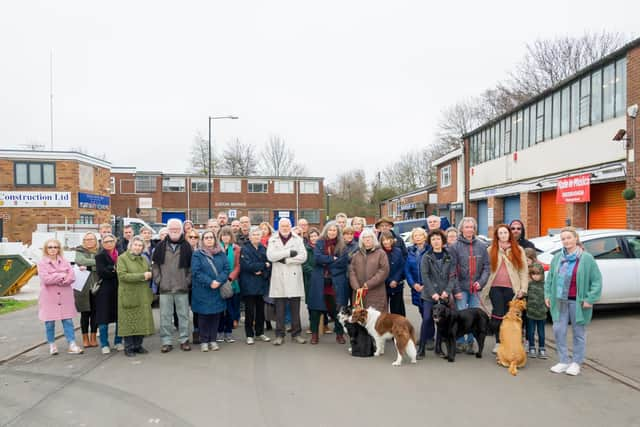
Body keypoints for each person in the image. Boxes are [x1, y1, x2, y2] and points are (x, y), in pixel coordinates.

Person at [545, 227, 602, 376]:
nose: (566, 241)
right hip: (559, 301)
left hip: (578, 303)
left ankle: (576, 362)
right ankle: (563, 360)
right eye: (563, 238)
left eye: (569, 237)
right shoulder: (557, 258)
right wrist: (547, 295)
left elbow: (596, 281)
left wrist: (590, 299)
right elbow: (550, 279)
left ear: (576, 238)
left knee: (578, 333)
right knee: (558, 331)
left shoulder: (586, 258)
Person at [481, 224, 528, 354]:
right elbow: (485, 268)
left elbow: (523, 271)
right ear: (496, 236)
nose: (503, 235)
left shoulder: (518, 249)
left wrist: (523, 288)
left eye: (505, 233)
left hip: (512, 288)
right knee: (498, 314)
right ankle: (498, 342)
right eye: (500, 233)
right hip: (495, 287)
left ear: (509, 234)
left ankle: (511, 343)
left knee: (511, 316)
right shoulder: (491, 250)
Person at [152, 218, 193, 353]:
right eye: (171, 229)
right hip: (165, 288)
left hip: (182, 287)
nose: (174, 231)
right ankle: (166, 341)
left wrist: (187, 281)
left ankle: (184, 340)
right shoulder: (160, 247)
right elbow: (155, 267)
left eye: (177, 229)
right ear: (168, 231)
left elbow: (192, 268)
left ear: (181, 230)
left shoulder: (187, 247)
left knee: (184, 316)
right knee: (165, 316)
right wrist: (159, 281)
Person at [449, 217, 490, 353]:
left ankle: (470, 342)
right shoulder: (454, 246)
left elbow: (487, 267)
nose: (469, 230)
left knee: (473, 318)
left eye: (471, 227)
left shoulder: (482, 246)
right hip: (461, 288)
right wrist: (456, 289)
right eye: (466, 227)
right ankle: (459, 341)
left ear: (475, 229)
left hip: (475, 289)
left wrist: (481, 282)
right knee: (460, 316)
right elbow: (452, 270)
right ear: (461, 229)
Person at [37, 239, 83, 355]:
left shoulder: (65, 261)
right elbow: (46, 279)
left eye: (55, 247)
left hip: (65, 296)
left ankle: (72, 344)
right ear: (46, 249)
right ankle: (52, 344)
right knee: (49, 322)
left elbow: (72, 277)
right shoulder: (42, 263)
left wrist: (56, 276)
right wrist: (62, 275)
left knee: (68, 320)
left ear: (59, 249)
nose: (53, 249)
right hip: (49, 297)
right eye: (50, 247)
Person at [266, 218, 308, 345]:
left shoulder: (298, 239)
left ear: (291, 226)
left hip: (294, 276)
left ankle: (296, 334)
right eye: (282, 226)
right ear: (279, 227)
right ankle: (279, 335)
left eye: (287, 225)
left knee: (295, 309)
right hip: (278, 277)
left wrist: (287, 260)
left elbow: (303, 257)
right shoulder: (273, 239)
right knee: (280, 309)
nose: (285, 228)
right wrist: (289, 252)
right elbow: (271, 256)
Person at [418, 229, 457, 358]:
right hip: (429, 295)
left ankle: (439, 348)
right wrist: (433, 293)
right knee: (427, 319)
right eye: (433, 239)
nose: (436, 241)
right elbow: (425, 276)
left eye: (438, 239)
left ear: (443, 241)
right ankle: (421, 348)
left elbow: (453, 276)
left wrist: (447, 291)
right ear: (430, 242)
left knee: (442, 322)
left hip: (444, 295)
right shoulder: (426, 257)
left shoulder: (449, 256)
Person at [191, 230, 230, 351]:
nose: (209, 239)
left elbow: (226, 269)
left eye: (211, 237)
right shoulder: (197, 254)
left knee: (215, 316)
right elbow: (196, 272)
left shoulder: (221, 253)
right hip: (202, 290)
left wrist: (218, 281)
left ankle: (213, 340)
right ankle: (204, 341)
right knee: (203, 316)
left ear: (215, 239)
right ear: (202, 240)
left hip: (217, 289)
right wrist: (210, 282)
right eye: (206, 238)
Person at [308, 222, 347, 345]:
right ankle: (314, 335)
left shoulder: (342, 245)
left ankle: (339, 334)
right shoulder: (320, 242)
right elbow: (317, 258)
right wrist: (332, 259)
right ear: (326, 231)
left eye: (334, 230)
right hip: (319, 280)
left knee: (338, 308)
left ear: (338, 232)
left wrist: (328, 264)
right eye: (330, 230)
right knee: (315, 308)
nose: (332, 232)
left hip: (336, 280)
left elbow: (343, 262)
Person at [117, 236, 155, 357]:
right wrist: (142, 276)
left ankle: (138, 346)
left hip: (142, 294)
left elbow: (149, 271)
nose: (138, 247)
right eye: (136, 245)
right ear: (130, 245)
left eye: (140, 245)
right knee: (128, 321)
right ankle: (128, 347)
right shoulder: (122, 258)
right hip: (129, 294)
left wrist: (151, 273)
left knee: (141, 321)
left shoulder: (143, 259)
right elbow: (123, 276)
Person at [239, 227, 272, 344]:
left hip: (261, 283)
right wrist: (263, 265)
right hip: (249, 284)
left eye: (258, 235)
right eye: (254, 235)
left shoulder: (264, 248)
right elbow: (247, 266)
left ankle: (260, 333)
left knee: (260, 311)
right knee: (249, 312)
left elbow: (270, 265)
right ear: (249, 236)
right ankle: (249, 335)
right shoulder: (245, 249)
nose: (256, 237)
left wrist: (262, 270)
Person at [349, 228, 390, 312]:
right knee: (360, 319)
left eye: (370, 237)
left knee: (375, 320)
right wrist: (356, 286)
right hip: (359, 293)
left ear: (373, 239)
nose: (367, 239)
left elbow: (383, 271)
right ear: (361, 240)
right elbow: (352, 271)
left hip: (376, 292)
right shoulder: (356, 255)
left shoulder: (381, 253)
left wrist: (369, 284)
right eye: (364, 237)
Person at [95, 234, 123, 354]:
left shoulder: (121, 254)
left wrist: (112, 269)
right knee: (103, 318)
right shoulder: (99, 256)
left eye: (111, 241)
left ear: (115, 241)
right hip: (104, 291)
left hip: (119, 288)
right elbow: (102, 272)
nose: (108, 243)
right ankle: (104, 344)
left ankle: (118, 341)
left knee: (119, 317)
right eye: (106, 242)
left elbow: (122, 270)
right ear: (102, 243)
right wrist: (114, 269)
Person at [74, 232, 100, 349]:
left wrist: (89, 266)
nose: (89, 241)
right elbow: (81, 261)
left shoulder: (100, 251)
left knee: (95, 313)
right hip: (83, 287)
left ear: (96, 241)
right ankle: (85, 338)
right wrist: (95, 264)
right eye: (86, 239)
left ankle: (93, 337)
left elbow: (103, 263)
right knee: (85, 313)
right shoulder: (79, 251)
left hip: (97, 286)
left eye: (91, 239)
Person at [217, 226, 241, 343]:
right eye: (223, 235)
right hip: (220, 283)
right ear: (220, 236)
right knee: (220, 310)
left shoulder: (236, 249)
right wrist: (222, 278)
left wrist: (230, 278)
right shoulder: (216, 248)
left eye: (228, 235)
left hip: (232, 283)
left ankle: (228, 333)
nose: (225, 237)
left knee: (231, 310)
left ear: (231, 236)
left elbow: (238, 266)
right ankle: (220, 332)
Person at [379, 231, 406, 316]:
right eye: (384, 240)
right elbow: (380, 269)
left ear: (392, 240)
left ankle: (400, 328)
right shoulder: (379, 252)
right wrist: (389, 281)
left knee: (398, 310)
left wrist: (395, 280)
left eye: (388, 239)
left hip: (397, 285)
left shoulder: (398, 251)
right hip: (384, 285)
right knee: (383, 311)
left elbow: (401, 266)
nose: (386, 242)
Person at [405, 228, 429, 317]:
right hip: (416, 288)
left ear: (424, 237)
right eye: (415, 236)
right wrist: (413, 284)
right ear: (413, 238)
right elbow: (407, 271)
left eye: (420, 235)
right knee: (422, 312)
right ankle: (427, 330)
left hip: (429, 288)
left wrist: (426, 285)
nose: (418, 237)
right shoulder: (410, 252)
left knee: (429, 314)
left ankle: (428, 330)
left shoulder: (430, 250)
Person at [526, 264, 548, 359]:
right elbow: (525, 297)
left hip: (542, 314)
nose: (536, 276)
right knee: (530, 332)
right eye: (533, 274)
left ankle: (542, 349)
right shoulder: (529, 285)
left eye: (538, 274)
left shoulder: (545, 285)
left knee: (541, 332)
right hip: (530, 313)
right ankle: (531, 348)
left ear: (542, 274)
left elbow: (548, 297)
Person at [302, 227, 320, 334]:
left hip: (322, 279)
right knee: (311, 302)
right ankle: (311, 323)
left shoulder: (322, 247)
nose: (313, 238)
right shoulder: (305, 249)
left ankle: (324, 324)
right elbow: (303, 264)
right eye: (311, 236)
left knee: (323, 301)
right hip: (310, 279)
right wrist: (313, 272)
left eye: (315, 236)